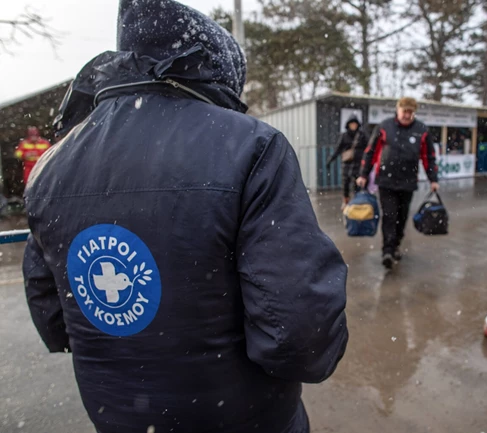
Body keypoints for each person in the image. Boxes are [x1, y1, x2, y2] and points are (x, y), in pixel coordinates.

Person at [22, 2, 348, 433]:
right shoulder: (250, 146)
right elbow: (302, 333)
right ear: (217, 70)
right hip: (246, 419)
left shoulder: (52, 165)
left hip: (116, 417)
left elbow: (51, 316)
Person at [356, 97, 439, 269]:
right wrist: (364, 174)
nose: (407, 115)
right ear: (398, 110)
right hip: (386, 181)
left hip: (408, 182)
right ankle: (387, 250)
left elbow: (428, 157)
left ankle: (396, 246)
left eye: (410, 112)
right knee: (389, 216)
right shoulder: (385, 127)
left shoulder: (421, 130)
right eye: (404, 111)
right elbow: (370, 151)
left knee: (401, 217)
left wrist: (433, 179)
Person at [327, 116, 368, 208]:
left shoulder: (362, 135)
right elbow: (338, 149)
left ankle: (356, 202)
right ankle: (346, 201)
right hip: (347, 164)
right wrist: (330, 160)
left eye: (355, 124)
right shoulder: (344, 136)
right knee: (345, 183)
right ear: (348, 125)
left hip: (358, 164)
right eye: (351, 124)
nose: (353, 126)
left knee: (357, 184)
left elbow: (368, 149)